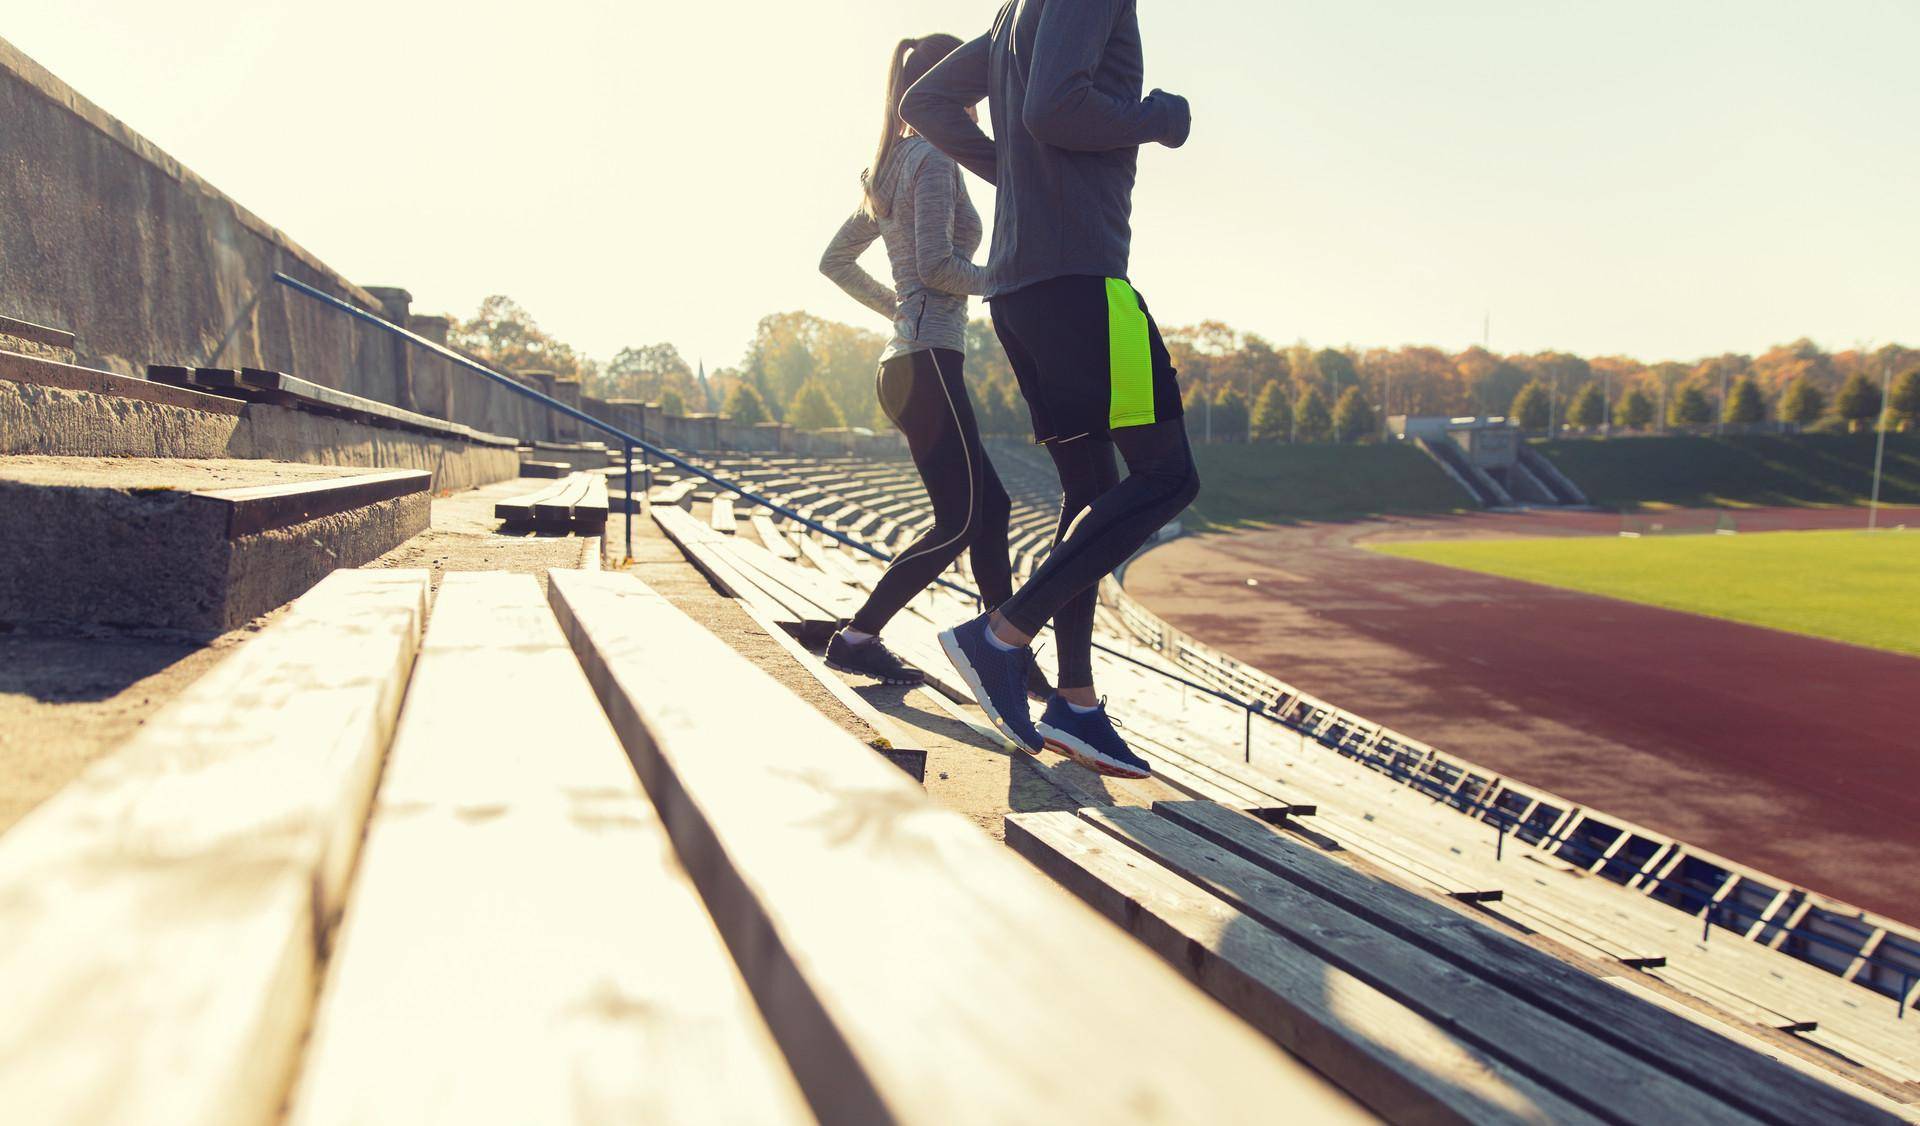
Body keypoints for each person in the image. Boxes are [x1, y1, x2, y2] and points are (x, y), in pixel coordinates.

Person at [902, 1, 1198, 779]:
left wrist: (1014, 170)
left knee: (1091, 487)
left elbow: (923, 101)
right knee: (1168, 475)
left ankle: (1075, 701)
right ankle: (999, 635)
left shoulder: (1014, 11)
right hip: (1081, 282)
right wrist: (1159, 117)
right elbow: (1055, 108)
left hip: (1021, 293)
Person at [818, 34, 1046, 699]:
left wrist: (899, 309)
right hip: (926, 364)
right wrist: (1009, 277)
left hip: (911, 362)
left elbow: (834, 262)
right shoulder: (933, 161)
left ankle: (1005, 648)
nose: (978, 109)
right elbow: (940, 268)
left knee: (992, 507)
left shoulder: (887, 165)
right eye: (974, 94)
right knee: (962, 520)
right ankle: (858, 637)